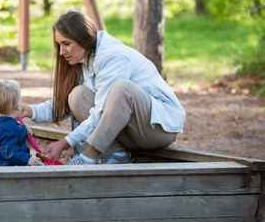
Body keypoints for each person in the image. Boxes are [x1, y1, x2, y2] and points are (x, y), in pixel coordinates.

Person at [20, 10, 186, 165]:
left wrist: (66, 143)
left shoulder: (112, 57)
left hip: (156, 130)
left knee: (123, 89)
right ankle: (115, 156)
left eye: (66, 44)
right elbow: (65, 104)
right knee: (77, 96)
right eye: (59, 45)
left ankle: (88, 157)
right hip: (128, 130)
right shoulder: (84, 59)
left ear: (82, 38)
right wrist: (30, 111)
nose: (62, 52)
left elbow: (100, 111)